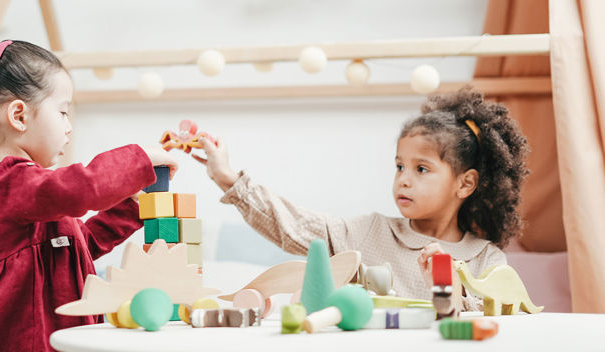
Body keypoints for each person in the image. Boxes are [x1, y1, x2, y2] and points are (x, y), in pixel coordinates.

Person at [194, 87, 529, 309]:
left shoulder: (486, 260)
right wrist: (227, 178)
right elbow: (291, 225)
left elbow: (499, 322)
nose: (403, 180)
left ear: (465, 184)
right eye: (400, 166)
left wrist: (448, 286)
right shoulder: (368, 234)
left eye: (421, 169)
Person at [0, 37, 177, 351]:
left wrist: (132, 207)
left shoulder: (37, 194)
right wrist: (139, 159)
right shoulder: (11, 182)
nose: (69, 127)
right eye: (63, 113)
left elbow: (81, 245)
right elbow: (81, 189)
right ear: (19, 116)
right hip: (25, 338)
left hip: (58, 333)